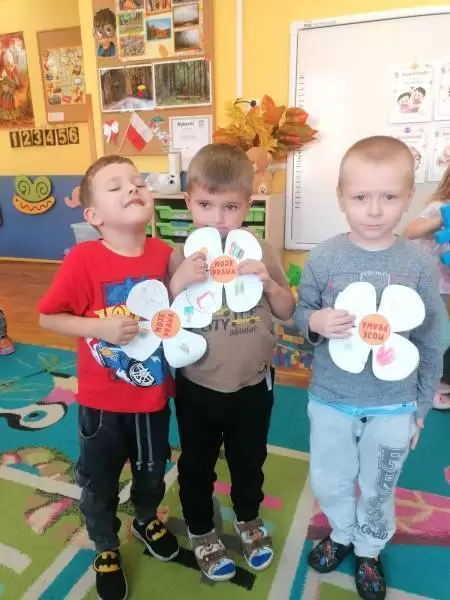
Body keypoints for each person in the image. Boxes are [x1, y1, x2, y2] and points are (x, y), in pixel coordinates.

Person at [296, 136, 441, 600]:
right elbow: (302, 314)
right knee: (330, 479)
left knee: (379, 485)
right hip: (331, 400)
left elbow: (432, 340)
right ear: (341, 198)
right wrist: (315, 322)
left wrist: (420, 408)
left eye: (389, 197)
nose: (374, 211)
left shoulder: (419, 265)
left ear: (409, 198)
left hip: (394, 405)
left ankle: (369, 548)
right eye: (360, 197)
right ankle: (342, 533)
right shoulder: (324, 257)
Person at [38, 155, 178, 600]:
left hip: (153, 398)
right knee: (98, 482)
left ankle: (145, 518)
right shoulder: (84, 259)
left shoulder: (165, 254)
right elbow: (48, 318)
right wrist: (99, 327)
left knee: (152, 472)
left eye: (138, 182)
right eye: (116, 187)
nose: (133, 188)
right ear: (94, 215)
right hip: (102, 405)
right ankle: (105, 545)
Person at [168, 143, 295, 581]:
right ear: (188, 202)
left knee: (248, 461)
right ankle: (201, 528)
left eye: (230, 207)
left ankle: (248, 518)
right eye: (205, 205)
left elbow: (286, 309)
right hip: (197, 384)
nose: (217, 218)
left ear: (248, 204)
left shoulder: (262, 250)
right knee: (196, 463)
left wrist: (268, 283)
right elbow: (160, 319)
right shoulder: (179, 255)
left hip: (252, 385)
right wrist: (177, 282)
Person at [403, 166, 450, 409]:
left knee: (435, 336)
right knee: (440, 337)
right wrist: (441, 219)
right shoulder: (439, 207)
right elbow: (409, 231)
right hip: (425, 283)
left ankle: (432, 381)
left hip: (442, 286)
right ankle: (426, 389)